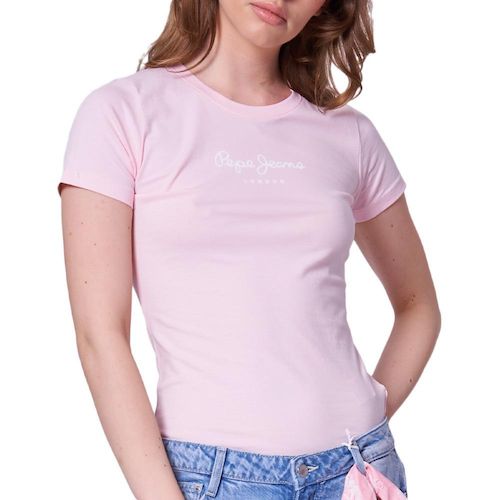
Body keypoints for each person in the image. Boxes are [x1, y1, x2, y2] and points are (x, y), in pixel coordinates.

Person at [57, 1, 441, 498]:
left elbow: (418, 305)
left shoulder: (350, 134)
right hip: (212, 476)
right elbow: (100, 337)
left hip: (356, 470)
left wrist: (368, 418)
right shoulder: (122, 115)